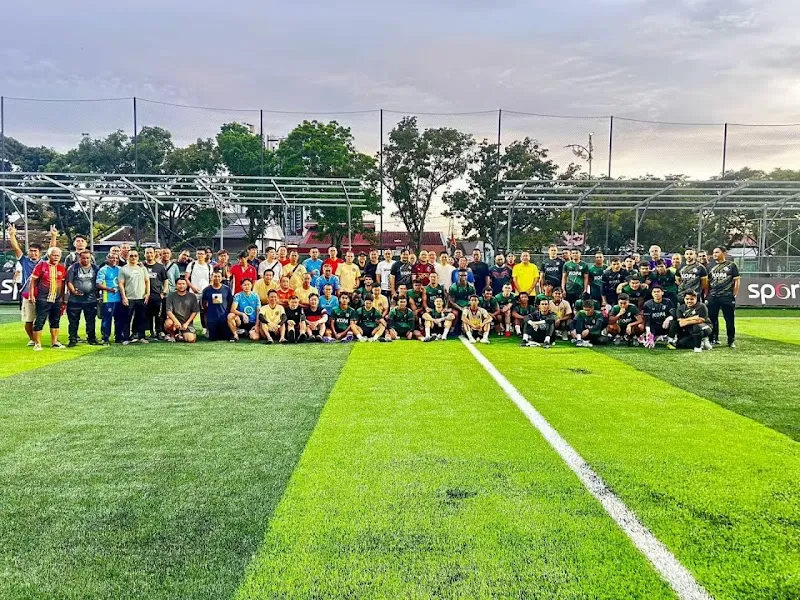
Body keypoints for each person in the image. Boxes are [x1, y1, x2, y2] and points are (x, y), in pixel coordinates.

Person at [8, 224, 54, 345]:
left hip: (43, 294)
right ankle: (32, 339)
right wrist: (12, 235)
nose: (33, 253)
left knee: (50, 319)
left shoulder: (44, 261)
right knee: (28, 320)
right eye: (31, 251)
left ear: (40, 253)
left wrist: (53, 236)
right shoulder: (24, 261)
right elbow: (16, 249)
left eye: (35, 251)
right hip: (28, 294)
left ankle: (53, 339)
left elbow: (52, 250)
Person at [29, 247, 67, 351]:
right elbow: (33, 281)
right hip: (43, 298)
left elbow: (63, 284)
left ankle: (54, 342)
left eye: (58, 256)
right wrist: (31, 295)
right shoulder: (41, 265)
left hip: (57, 299)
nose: (56, 257)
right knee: (40, 320)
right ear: (49, 255)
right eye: (54, 255)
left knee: (55, 320)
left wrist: (63, 299)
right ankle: (37, 343)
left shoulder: (61, 268)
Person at [707, 246, 740, 348]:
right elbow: (707, 282)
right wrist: (708, 295)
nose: (715, 254)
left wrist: (733, 294)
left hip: (727, 297)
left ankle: (731, 340)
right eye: (713, 253)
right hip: (713, 296)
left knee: (729, 319)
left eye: (717, 252)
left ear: (724, 253)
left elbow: (737, 281)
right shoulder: (710, 266)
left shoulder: (732, 266)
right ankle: (713, 338)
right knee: (712, 319)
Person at [66, 250, 99, 347]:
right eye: (83, 258)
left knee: (91, 321)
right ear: (79, 258)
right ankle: (72, 339)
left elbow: (98, 282)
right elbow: (69, 282)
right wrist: (73, 291)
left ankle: (91, 338)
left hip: (90, 299)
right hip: (75, 299)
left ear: (91, 258)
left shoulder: (95, 268)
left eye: (88, 258)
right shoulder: (73, 268)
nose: (85, 260)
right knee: (73, 321)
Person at [118, 250, 150, 345]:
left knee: (141, 318)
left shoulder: (142, 269)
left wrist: (147, 293)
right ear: (128, 257)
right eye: (131, 256)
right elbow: (121, 284)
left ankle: (141, 337)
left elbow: (147, 281)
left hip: (141, 297)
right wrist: (124, 297)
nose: (133, 257)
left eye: (135, 255)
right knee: (126, 319)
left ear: (138, 257)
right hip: (129, 298)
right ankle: (126, 338)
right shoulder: (123, 269)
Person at [96, 251, 123, 346]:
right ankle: (105, 338)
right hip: (108, 299)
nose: (114, 260)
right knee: (107, 320)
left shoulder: (120, 269)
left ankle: (119, 337)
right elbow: (98, 284)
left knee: (119, 320)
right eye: (112, 258)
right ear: (108, 259)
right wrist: (109, 289)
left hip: (119, 299)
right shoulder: (103, 270)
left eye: (116, 258)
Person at [143, 247, 168, 340]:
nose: (149, 254)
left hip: (157, 294)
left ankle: (159, 331)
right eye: (147, 253)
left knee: (158, 315)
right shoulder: (142, 266)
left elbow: (165, 280)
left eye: (151, 253)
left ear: (155, 254)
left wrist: (164, 292)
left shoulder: (160, 267)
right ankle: (147, 332)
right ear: (144, 254)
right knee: (146, 314)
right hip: (144, 295)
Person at [164, 278, 200, 343]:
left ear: (186, 285)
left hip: (186, 323)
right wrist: (176, 321)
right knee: (168, 323)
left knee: (191, 340)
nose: (181, 286)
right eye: (179, 284)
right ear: (176, 285)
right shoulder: (171, 296)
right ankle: (172, 335)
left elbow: (195, 311)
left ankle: (179, 336)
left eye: (183, 284)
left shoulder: (192, 296)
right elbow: (168, 311)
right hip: (174, 322)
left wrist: (187, 323)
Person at [201, 270, 233, 341]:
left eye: (219, 276)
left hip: (223, 317)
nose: (217, 278)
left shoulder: (227, 289)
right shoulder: (206, 290)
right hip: (212, 318)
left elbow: (230, 302)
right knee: (213, 338)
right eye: (215, 276)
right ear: (211, 278)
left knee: (226, 337)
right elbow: (204, 304)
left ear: (222, 278)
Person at [227, 278, 261, 342]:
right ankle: (235, 335)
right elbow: (232, 309)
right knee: (230, 315)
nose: (247, 286)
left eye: (248, 284)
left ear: (251, 285)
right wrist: (243, 314)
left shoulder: (256, 296)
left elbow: (258, 311)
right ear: (241, 286)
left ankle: (245, 332)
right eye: (244, 285)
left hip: (252, 322)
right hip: (241, 321)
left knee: (255, 338)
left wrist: (256, 325)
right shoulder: (238, 296)